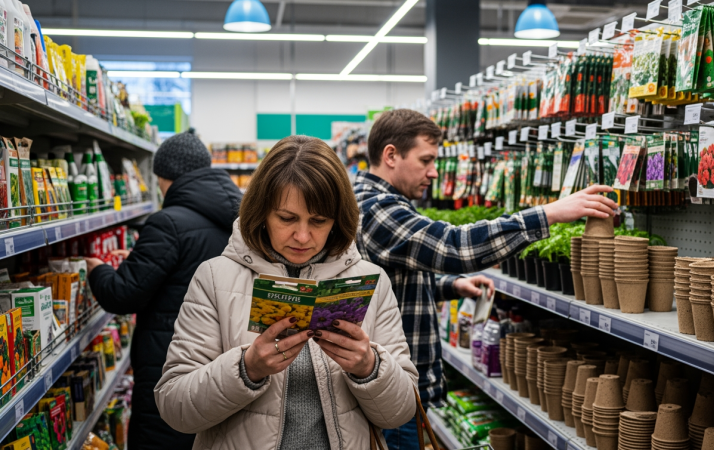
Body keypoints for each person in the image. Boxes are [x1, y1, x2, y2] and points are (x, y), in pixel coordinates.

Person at [355, 108, 618, 449]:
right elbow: (456, 246)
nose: (434, 172)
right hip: (392, 395)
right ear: (391, 155)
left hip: (390, 387)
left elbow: (385, 284)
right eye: (426, 160)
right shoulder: (378, 208)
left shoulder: (375, 201)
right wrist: (549, 213)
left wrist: (450, 286)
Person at [155, 136, 419, 449]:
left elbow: (400, 413)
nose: (303, 236)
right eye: (287, 218)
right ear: (262, 212)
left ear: (337, 221)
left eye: (319, 221)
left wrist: (370, 368)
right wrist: (246, 368)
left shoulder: (371, 281)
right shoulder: (214, 278)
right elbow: (175, 408)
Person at [85, 129, 242, 450]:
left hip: (170, 360)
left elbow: (123, 294)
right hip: (224, 360)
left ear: (167, 177)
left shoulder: (167, 223)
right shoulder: (242, 218)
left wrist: (97, 269)